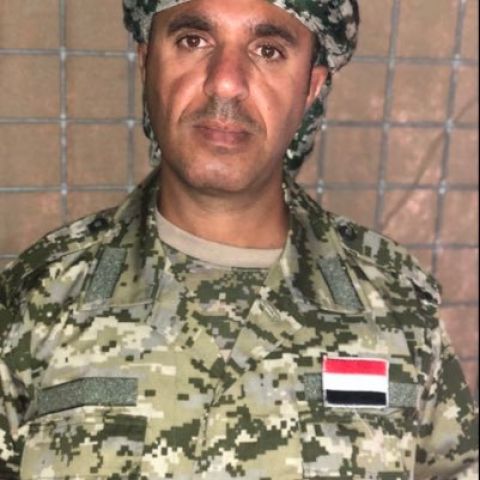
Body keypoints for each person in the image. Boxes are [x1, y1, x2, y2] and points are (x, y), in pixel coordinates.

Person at [0, 0, 477, 478]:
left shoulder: (397, 308)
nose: (226, 81)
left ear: (310, 87)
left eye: (268, 50)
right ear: (147, 64)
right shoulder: (38, 298)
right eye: (193, 41)